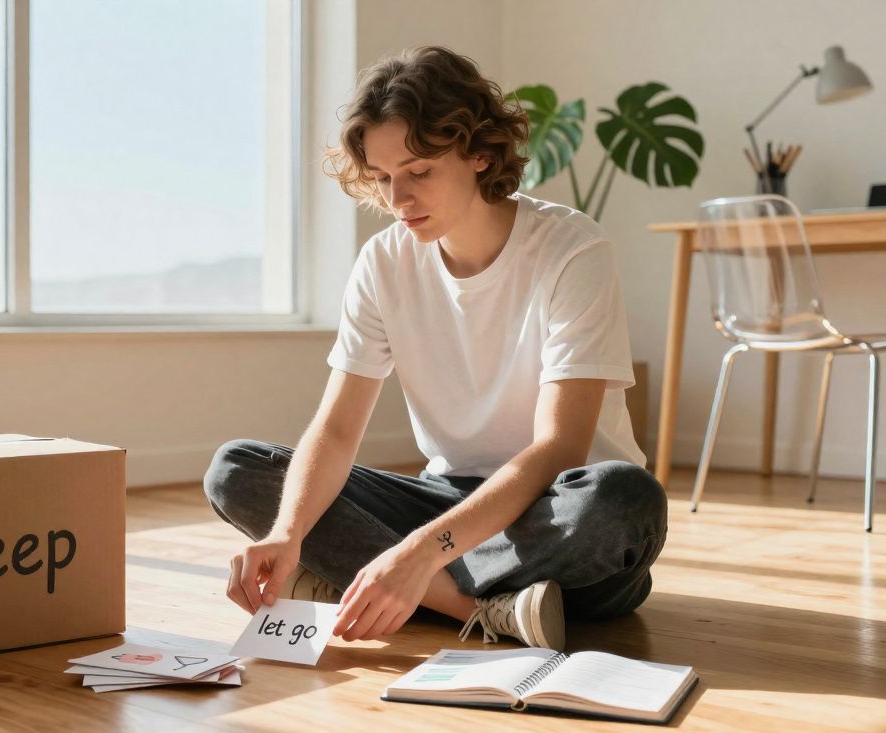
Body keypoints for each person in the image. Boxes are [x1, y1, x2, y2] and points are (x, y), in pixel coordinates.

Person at [202, 46, 666, 650]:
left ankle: (390, 582)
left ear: (479, 152)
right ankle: (474, 608)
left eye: (419, 171)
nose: (399, 200)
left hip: (558, 510)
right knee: (239, 469)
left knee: (623, 501)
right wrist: (288, 535)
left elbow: (559, 447)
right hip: (446, 500)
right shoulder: (383, 263)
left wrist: (418, 553)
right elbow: (338, 430)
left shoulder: (572, 250)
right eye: (384, 177)